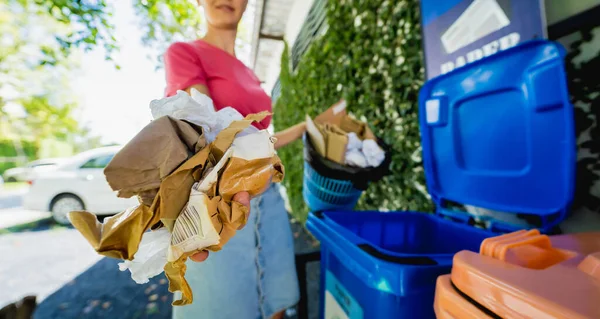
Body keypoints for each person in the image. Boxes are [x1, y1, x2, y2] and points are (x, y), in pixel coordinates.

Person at [162, 1, 338, 318]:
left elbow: (257, 140)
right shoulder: (185, 53)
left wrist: (305, 127)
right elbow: (209, 129)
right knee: (222, 306)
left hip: (266, 196)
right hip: (218, 201)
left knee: (277, 303)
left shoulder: (247, 72)